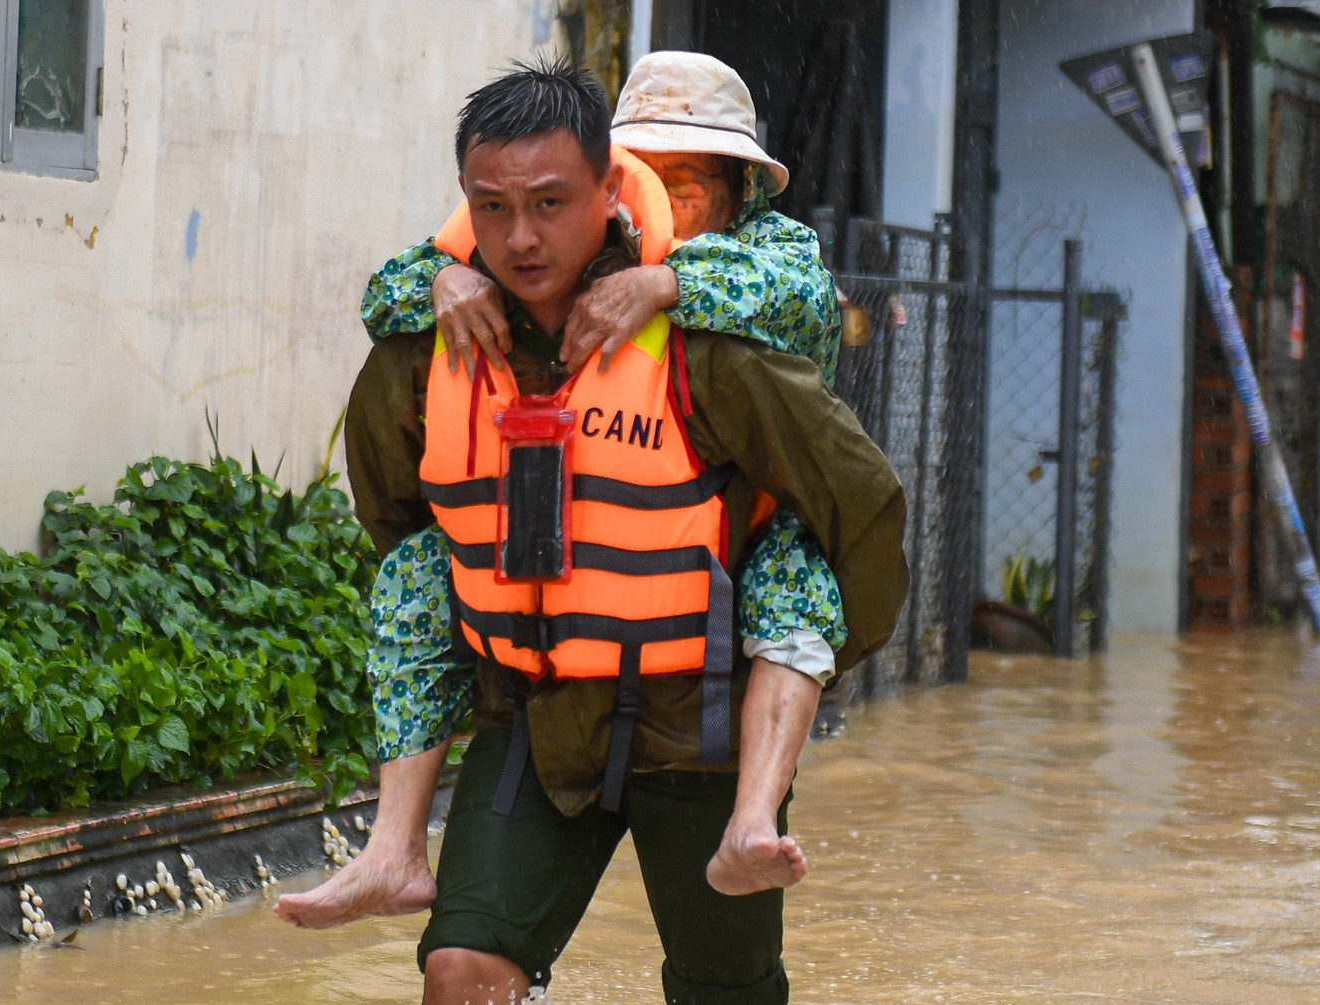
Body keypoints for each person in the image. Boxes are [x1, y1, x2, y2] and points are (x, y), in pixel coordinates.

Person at [299, 57, 908, 1003]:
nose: (523, 234)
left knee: (725, 988)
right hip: (539, 708)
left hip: (701, 710)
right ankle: (392, 843)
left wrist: (806, 664)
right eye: (498, 209)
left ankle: (751, 813)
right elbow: (396, 502)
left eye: (693, 184)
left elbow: (856, 509)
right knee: (461, 966)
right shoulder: (441, 326)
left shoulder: (738, 319)